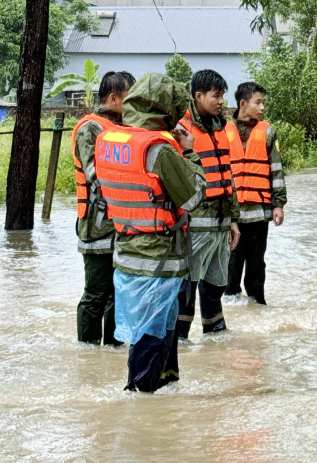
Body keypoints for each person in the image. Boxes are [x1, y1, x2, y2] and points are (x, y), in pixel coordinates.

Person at [94, 72, 205, 392]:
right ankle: (140, 409)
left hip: (127, 254)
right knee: (151, 338)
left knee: (155, 333)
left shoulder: (110, 141)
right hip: (158, 260)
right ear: (165, 109)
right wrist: (189, 152)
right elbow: (195, 197)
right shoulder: (159, 149)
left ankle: (162, 400)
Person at [175, 70, 241, 339]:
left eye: (223, 95)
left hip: (221, 221)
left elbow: (228, 174)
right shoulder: (181, 129)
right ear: (198, 96)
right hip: (196, 223)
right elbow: (177, 178)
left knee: (217, 282)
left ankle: (215, 335)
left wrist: (233, 220)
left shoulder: (221, 126)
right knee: (188, 283)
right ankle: (178, 341)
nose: (221, 101)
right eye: (216, 96)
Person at [72, 71, 135, 346]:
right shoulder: (90, 128)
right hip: (97, 226)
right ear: (113, 98)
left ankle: (112, 350)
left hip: (122, 224)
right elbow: (94, 173)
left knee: (118, 294)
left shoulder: (124, 129)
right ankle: (86, 353)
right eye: (130, 97)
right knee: (96, 294)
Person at [223, 82, 287, 305]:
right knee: (231, 260)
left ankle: (257, 304)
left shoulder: (268, 132)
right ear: (243, 103)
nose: (262, 108)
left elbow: (276, 170)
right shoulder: (222, 130)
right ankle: (231, 301)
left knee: (257, 262)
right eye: (257, 102)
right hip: (232, 213)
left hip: (260, 212)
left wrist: (278, 204)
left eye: (263, 103)